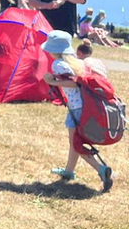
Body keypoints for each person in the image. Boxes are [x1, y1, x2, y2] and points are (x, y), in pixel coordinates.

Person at [41, 31, 114, 192]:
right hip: (85, 106)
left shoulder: (58, 64)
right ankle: (69, 171)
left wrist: (50, 80)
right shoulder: (75, 61)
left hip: (77, 109)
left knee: (77, 143)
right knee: (74, 143)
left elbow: (73, 83)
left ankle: (101, 170)